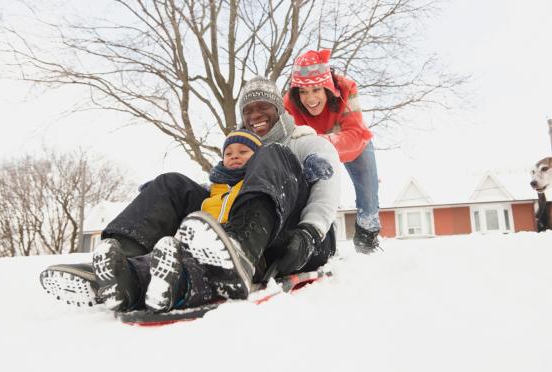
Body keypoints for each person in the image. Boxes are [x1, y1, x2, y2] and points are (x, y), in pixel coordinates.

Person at [41, 96, 340, 313]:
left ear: (280, 112)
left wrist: (311, 232)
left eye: (264, 107)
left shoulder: (301, 143)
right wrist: (162, 200)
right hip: (234, 231)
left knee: (272, 154)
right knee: (171, 183)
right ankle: (121, 267)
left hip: (299, 238)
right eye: (248, 110)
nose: (256, 114)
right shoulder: (236, 164)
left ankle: (243, 252)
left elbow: (328, 187)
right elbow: (216, 199)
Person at [283, 49, 382, 254]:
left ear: (327, 87)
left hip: (354, 147)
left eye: (316, 90)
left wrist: (318, 141)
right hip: (316, 155)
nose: (310, 99)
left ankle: (367, 244)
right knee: (314, 194)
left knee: (369, 198)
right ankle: (320, 243)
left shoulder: (347, 89)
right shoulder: (289, 105)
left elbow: (355, 134)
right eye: (303, 91)